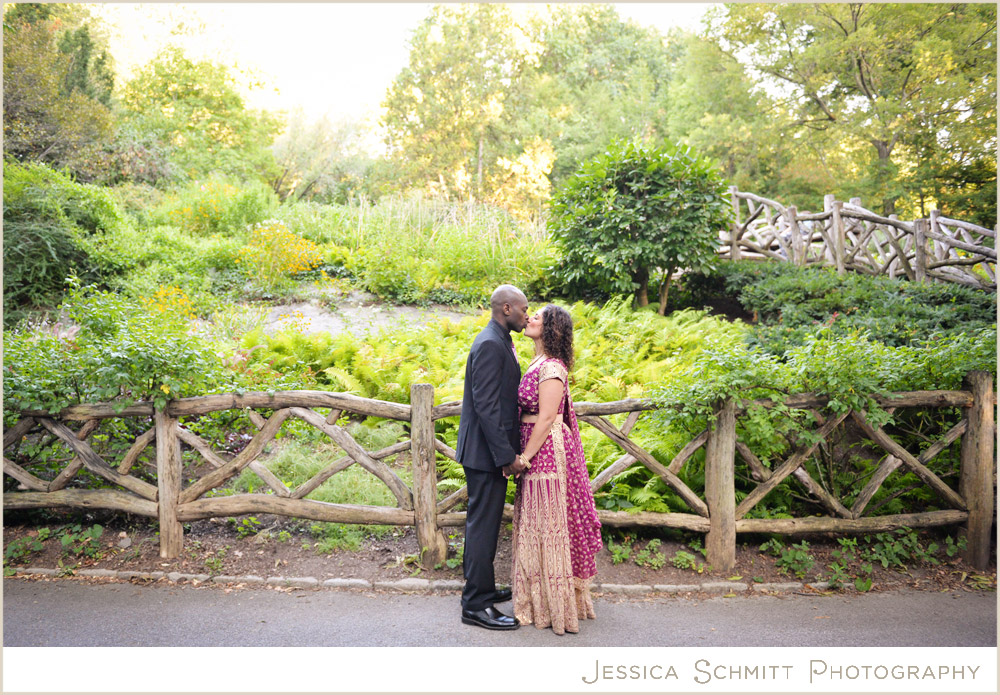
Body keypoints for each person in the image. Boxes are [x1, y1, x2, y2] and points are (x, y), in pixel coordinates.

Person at [510, 304, 602, 635]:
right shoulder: (537, 362)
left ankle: (553, 607)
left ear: (551, 329)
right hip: (536, 450)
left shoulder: (552, 368)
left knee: (546, 525)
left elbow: (547, 417)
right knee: (536, 524)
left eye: (537, 317)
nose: (530, 318)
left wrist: (524, 458)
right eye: (530, 314)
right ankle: (537, 603)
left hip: (545, 454)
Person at [455, 284, 530, 630]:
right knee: (482, 528)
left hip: (489, 452)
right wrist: (506, 456)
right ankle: (475, 605)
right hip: (485, 454)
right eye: (523, 309)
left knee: (485, 526)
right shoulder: (489, 344)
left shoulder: (499, 340)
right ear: (506, 309)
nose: (527, 316)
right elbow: (485, 406)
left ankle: (482, 589)